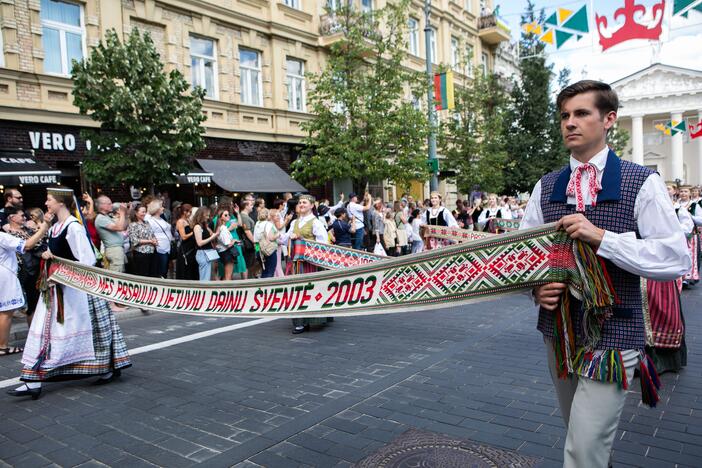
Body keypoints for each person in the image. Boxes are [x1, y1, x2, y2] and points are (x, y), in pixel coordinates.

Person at [520, 80, 690, 468]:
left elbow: (675, 257)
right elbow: (526, 253)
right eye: (564, 115)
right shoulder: (545, 186)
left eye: (581, 113)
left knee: (582, 450)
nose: (570, 123)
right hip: (559, 332)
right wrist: (536, 287)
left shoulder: (640, 180)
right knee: (583, 441)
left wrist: (603, 238)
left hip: (615, 335)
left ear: (609, 119)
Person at [8, 187, 131, 399]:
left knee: (85, 332)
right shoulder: (57, 227)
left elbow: (86, 261)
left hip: (74, 292)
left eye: (49, 200)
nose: (46, 203)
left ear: (61, 203)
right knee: (47, 332)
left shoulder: (73, 227)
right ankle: (33, 379)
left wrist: (55, 261)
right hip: (59, 290)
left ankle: (104, 367)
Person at [279, 194, 331, 334]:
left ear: (312, 205)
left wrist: (302, 239)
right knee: (295, 291)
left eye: (304, 202)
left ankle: (307, 320)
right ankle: (299, 322)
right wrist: (278, 235)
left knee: (308, 291)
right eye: (300, 202)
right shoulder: (295, 222)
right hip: (294, 263)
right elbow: (285, 239)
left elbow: (323, 243)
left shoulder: (315, 222)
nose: (301, 204)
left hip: (309, 264)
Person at [0, 210, 49, 357]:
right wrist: (44, 228)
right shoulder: (2, 236)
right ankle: (2, 346)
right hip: (5, 274)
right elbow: (27, 245)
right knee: (6, 311)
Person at [4, 206, 47, 326]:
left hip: (41, 270)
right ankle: (33, 337)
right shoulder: (9, 235)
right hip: (28, 273)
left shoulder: (28, 229)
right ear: (12, 218)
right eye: (22, 215)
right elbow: (28, 246)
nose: (25, 217)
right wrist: (41, 230)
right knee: (33, 306)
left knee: (42, 304)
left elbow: (42, 242)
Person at [95, 195, 129, 274]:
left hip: (116, 249)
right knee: (116, 275)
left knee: (120, 273)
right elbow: (120, 227)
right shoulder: (100, 218)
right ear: (102, 206)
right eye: (109, 203)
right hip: (114, 250)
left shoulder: (106, 216)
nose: (112, 205)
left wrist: (125, 213)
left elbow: (123, 226)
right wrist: (122, 212)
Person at [128, 205, 158, 277]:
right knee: (143, 275)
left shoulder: (147, 223)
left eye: (145, 212)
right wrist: (150, 241)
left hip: (152, 252)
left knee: (152, 274)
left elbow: (152, 234)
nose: (144, 214)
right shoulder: (133, 225)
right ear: (136, 213)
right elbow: (134, 240)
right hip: (141, 253)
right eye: (142, 212)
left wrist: (154, 240)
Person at [145, 199, 173, 278]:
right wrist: (149, 208)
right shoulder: (150, 220)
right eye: (161, 207)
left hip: (167, 248)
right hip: (160, 248)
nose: (163, 208)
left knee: (165, 270)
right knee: (161, 271)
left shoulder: (161, 218)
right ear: (156, 209)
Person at [192, 206, 218, 281]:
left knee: (209, 276)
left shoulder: (204, 226)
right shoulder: (197, 226)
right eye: (206, 215)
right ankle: (204, 292)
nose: (208, 217)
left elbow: (212, 234)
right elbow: (199, 243)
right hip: (202, 253)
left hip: (207, 252)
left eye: (208, 215)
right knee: (205, 278)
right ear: (201, 215)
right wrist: (212, 237)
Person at [214, 208, 240, 281]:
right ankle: (226, 291)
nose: (228, 216)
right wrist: (234, 241)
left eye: (228, 214)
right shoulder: (223, 228)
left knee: (227, 275)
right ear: (221, 217)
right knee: (228, 276)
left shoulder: (222, 227)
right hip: (227, 252)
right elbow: (228, 244)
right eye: (225, 215)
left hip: (224, 252)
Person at [254, 208, 280, 278]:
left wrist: (257, 251)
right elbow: (271, 238)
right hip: (269, 250)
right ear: (268, 215)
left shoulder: (257, 224)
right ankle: (268, 287)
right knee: (270, 271)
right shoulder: (269, 224)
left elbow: (255, 240)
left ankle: (262, 287)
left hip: (258, 250)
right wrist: (278, 234)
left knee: (264, 270)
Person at [174, 204, 198, 280]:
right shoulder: (180, 221)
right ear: (184, 212)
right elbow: (183, 237)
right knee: (186, 269)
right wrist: (193, 232)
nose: (190, 214)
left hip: (192, 248)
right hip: (185, 248)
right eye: (189, 212)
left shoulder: (188, 220)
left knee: (192, 268)